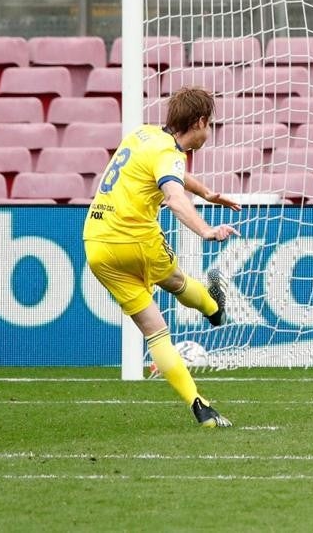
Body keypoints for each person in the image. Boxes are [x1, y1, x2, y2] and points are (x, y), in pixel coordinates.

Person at [83, 86, 239, 427]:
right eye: (209, 124)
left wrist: (207, 193)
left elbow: (171, 175)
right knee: (176, 280)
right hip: (135, 239)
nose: (208, 132)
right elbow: (174, 196)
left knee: (155, 332)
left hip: (96, 243)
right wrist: (206, 230)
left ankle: (200, 407)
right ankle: (214, 308)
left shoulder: (143, 136)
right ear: (198, 122)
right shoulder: (171, 153)